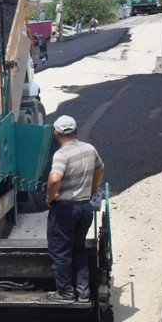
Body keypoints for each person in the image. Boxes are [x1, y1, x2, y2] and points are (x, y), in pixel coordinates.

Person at [45, 115, 105, 302]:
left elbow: (55, 178)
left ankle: (65, 293)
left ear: (56, 134)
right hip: (85, 208)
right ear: (76, 131)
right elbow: (100, 169)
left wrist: (51, 195)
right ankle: (83, 292)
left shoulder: (61, 154)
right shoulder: (89, 149)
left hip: (65, 210)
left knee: (60, 251)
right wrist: (94, 188)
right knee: (79, 248)